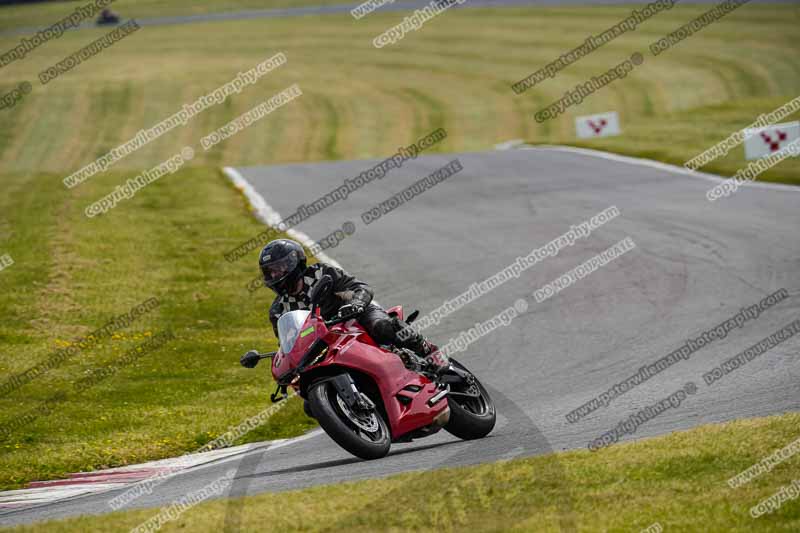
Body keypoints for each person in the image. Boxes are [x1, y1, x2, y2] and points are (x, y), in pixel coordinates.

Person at [259, 239, 443, 367]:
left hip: (355, 317)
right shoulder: (278, 311)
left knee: (382, 327)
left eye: (278, 268)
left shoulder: (322, 273)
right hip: (327, 342)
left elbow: (360, 288)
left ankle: (428, 351)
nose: (274, 275)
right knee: (309, 403)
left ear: (294, 262)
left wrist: (356, 302)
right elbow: (288, 345)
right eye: (270, 272)